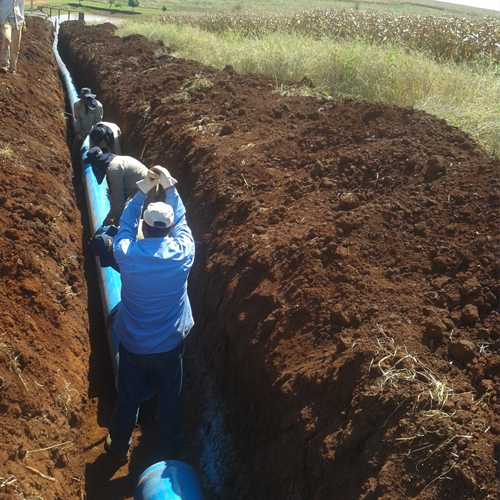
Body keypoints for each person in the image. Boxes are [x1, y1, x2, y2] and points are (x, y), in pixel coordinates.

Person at [104, 170, 195, 465]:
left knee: (128, 398)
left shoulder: (127, 253)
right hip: (170, 346)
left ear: (145, 225)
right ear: (168, 231)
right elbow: (183, 222)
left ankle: (119, 446)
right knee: (170, 399)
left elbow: (125, 226)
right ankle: (169, 447)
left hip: (133, 346)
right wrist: (170, 188)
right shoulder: (183, 253)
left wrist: (142, 191)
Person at [84, 146, 149, 226]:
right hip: (141, 187)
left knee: (128, 215)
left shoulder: (113, 169)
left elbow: (119, 196)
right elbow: (115, 195)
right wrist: (110, 215)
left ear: (97, 163)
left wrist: (118, 219)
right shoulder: (114, 161)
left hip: (146, 190)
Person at [72, 88, 104, 162]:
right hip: (82, 129)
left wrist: (94, 135)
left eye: (85, 99)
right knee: (76, 147)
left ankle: (94, 164)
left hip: (93, 130)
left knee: (94, 150)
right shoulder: (77, 105)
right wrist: (77, 132)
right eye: (82, 98)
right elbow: (77, 119)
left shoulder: (98, 106)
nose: (83, 101)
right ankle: (73, 162)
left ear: (90, 98)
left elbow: (98, 122)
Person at [0, 0, 25, 74]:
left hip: (17, 21)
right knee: (7, 38)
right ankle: (4, 64)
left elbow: (21, 7)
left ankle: (12, 68)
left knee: (15, 46)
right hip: (5, 19)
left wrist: (23, 20)